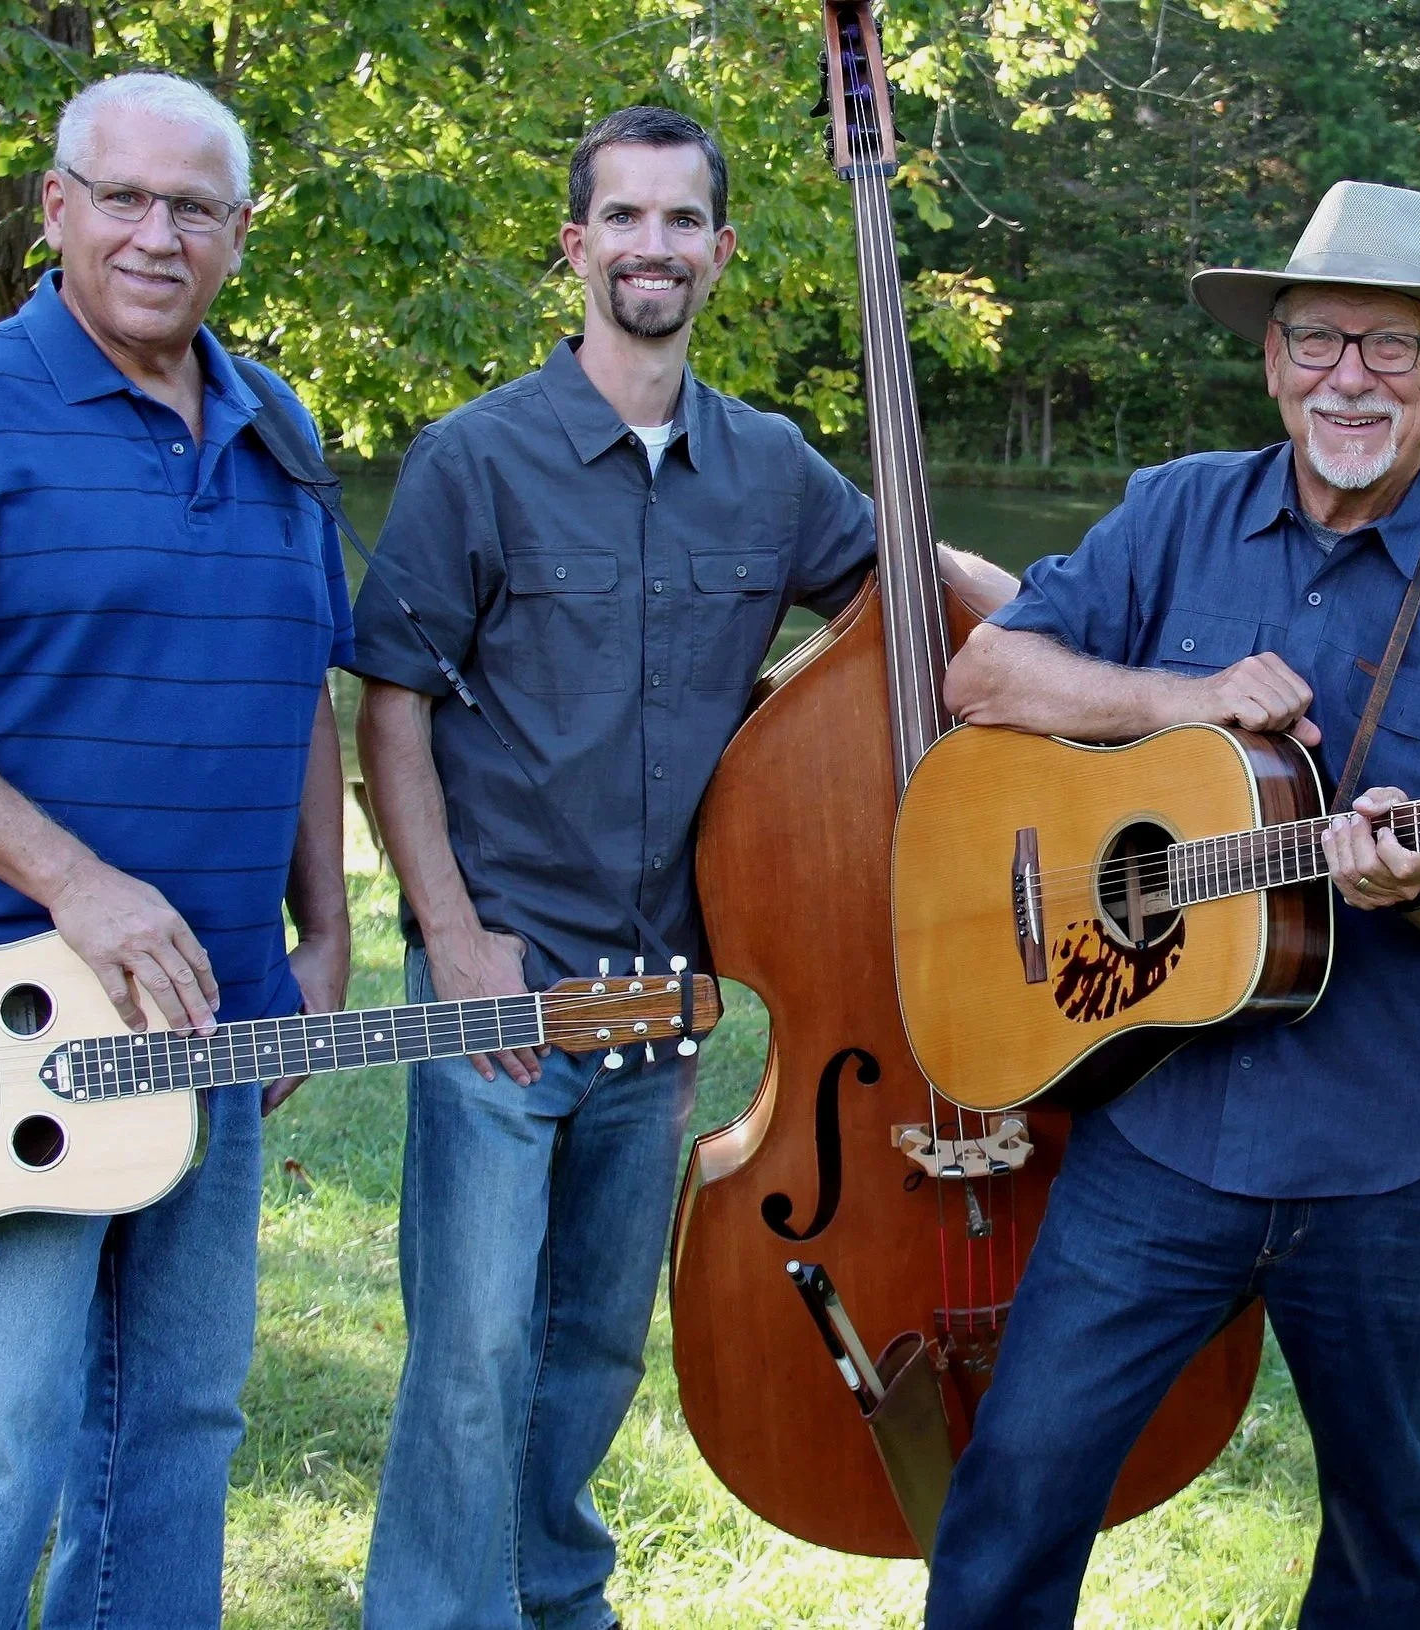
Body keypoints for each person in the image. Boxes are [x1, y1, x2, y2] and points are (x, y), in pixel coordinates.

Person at [347, 105, 1012, 1630]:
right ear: (577, 245)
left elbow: (910, 586)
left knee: (593, 1340)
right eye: (625, 218)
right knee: (472, 1350)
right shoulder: (476, 458)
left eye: (681, 219)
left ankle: (553, 1593)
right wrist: (453, 937)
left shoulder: (766, 468)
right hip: (503, 979)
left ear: (720, 249)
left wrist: (1058, 623)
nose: (653, 246)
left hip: (666, 991)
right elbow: (392, 709)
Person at [921, 180, 1420, 1628]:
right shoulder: (1174, 513)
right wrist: (1185, 698)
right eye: (1320, 339)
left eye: (1393, 347)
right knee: (1017, 1490)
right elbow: (986, 676)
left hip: (1396, 1154)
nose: (1352, 379)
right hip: (1163, 1125)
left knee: (1396, 1543)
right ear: (1274, 356)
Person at [0, 72, 353, 1628]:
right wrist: (78, 883)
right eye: (121, 196)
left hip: (219, 1014)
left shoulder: (277, 426)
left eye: (193, 207)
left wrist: (322, 932)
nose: (155, 234)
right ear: (56, 206)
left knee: (178, 1424)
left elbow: (302, 690)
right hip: (12, 1023)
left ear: (239, 232)